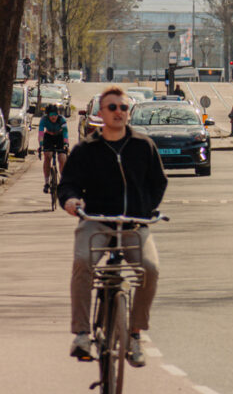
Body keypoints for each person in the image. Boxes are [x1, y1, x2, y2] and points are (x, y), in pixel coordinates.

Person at [59, 84, 167, 368]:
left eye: (123, 107)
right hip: (97, 222)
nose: (119, 112)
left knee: (150, 268)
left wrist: (146, 209)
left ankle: (134, 334)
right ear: (101, 114)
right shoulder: (86, 149)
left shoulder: (144, 146)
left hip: (134, 225)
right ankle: (82, 334)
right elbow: (68, 183)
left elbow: (159, 182)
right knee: (83, 262)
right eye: (112, 107)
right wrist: (71, 201)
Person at [40, 105, 69, 200]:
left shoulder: (62, 120)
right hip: (48, 137)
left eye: (55, 115)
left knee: (62, 158)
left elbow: (65, 132)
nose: (54, 117)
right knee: (47, 155)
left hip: (59, 137)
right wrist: (41, 145)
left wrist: (66, 144)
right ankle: (47, 182)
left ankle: (63, 182)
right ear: (48, 115)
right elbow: (40, 133)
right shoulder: (43, 119)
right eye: (51, 115)